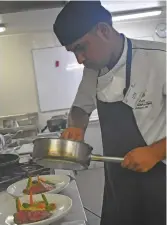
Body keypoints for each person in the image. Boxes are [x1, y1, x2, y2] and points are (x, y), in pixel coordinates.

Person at [53, 1, 166, 225]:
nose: (79, 59)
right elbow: (80, 108)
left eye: (80, 47)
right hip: (118, 179)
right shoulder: (93, 69)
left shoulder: (160, 58)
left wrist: (155, 151)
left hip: (159, 179)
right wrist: (76, 127)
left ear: (103, 30)